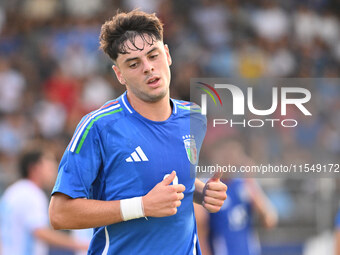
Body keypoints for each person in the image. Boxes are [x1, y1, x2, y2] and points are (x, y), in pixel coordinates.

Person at [48, 10, 228, 255]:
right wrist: (141, 206)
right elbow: (59, 214)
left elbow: (175, 176)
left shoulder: (193, 117)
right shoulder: (98, 127)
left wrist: (202, 192)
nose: (148, 68)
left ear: (167, 54)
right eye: (134, 63)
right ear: (119, 74)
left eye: (153, 56)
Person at [195, 138, 277, 255]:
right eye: (226, 154)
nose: (230, 159)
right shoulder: (205, 186)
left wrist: (251, 182)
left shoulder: (245, 184)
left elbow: (269, 221)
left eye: (234, 154)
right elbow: (201, 231)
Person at [0, 147, 88, 255]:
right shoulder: (31, 194)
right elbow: (41, 232)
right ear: (35, 168)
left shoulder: (13, 191)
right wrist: (82, 245)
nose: (54, 167)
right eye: (48, 162)